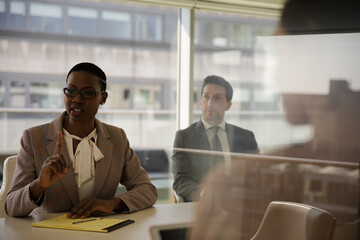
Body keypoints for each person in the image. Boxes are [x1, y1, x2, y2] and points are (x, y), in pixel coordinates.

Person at [5, 62, 157, 218]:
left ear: (103, 98)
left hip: (101, 232)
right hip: (50, 233)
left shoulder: (117, 138)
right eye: (71, 91)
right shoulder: (34, 137)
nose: (77, 99)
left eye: (88, 93)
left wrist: (111, 203)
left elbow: (147, 190)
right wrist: (39, 185)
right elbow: (11, 206)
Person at [172, 75, 259, 202]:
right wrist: (204, 193)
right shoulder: (184, 137)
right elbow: (180, 181)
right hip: (204, 206)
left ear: (228, 105)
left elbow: (256, 176)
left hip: (241, 204)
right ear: (201, 100)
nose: (210, 103)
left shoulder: (246, 137)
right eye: (206, 96)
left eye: (217, 98)